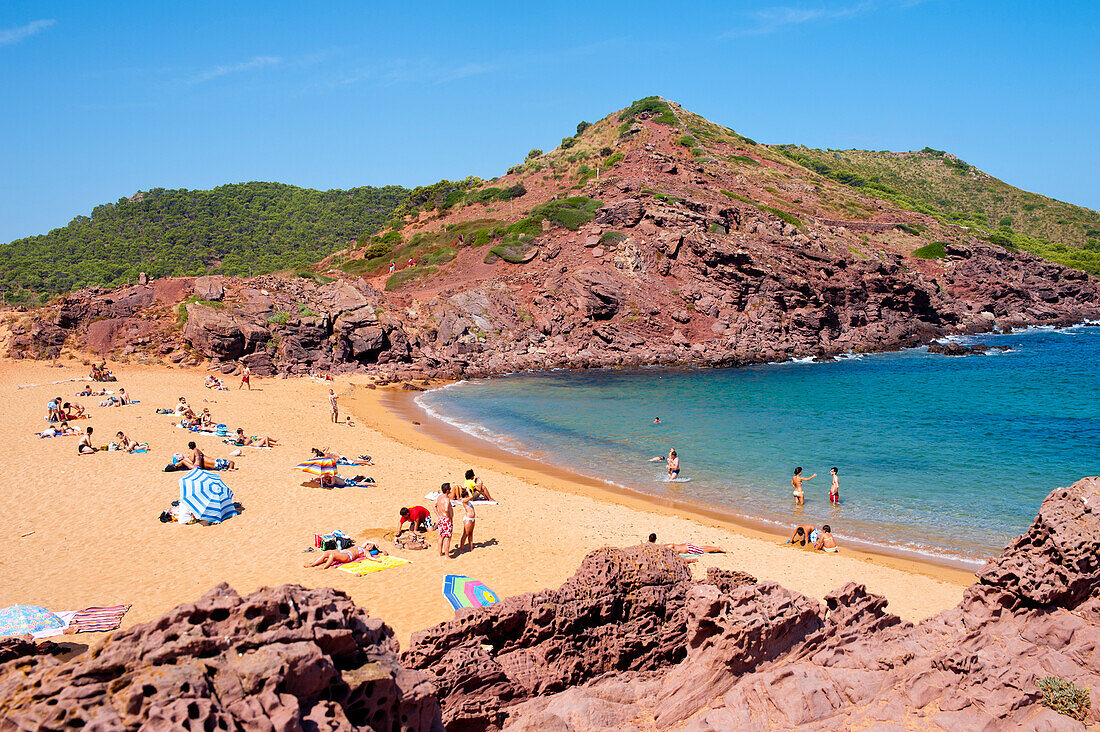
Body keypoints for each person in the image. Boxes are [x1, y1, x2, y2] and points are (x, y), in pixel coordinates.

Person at [303, 541, 388, 569]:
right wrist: (374, 543)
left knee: (332, 556)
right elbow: (367, 541)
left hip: (348, 556)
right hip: (343, 552)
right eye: (368, 545)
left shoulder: (366, 552)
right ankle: (312, 564)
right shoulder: (362, 546)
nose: (368, 545)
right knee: (326, 553)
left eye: (370, 546)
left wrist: (377, 559)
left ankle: (323, 568)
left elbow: (370, 558)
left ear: (371, 549)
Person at [435, 482, 454, 558]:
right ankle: (447, 555)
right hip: (446, 519)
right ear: (447, 491)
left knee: (441, 536)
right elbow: (446, 509)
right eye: (450, 489)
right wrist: (449, 517)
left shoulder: (439, 497)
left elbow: (434, 506)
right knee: (447, 537)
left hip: (441, 519)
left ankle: (440, 553)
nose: (450, 490)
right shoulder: (446, 499)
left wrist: (438, 515)